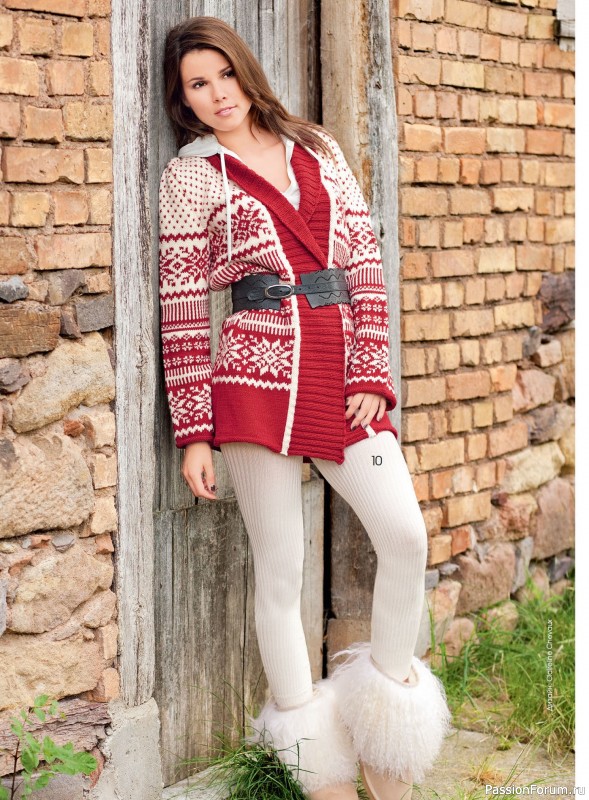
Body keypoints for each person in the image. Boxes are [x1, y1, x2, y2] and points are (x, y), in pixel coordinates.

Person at [159, 16, 451, 800]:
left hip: (340, 370)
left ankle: (387, 743)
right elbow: (181, 306)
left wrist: (371, 369)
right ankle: (319, 773)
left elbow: (364, 260)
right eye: (197, 84)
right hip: (252, 382)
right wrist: (194, 431)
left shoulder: (315, 147)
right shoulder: (192, 176)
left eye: (225, 73)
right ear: (184, 100)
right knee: (281, 572)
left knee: (405, 538)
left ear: (246, 72)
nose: (217, 93)